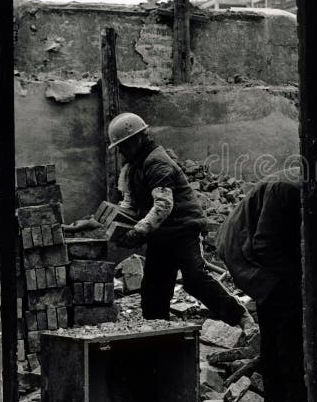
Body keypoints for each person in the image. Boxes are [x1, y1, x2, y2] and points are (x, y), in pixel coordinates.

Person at [107, 112, 252, 329]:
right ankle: (157, 333)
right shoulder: (133, 166)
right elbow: (129, 203)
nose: (120, 151)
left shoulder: (157, 162)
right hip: (161, 234)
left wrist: (137, 232)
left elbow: (163, 206)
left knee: (195, 278)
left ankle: (241, 317)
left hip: (183, 230)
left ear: (137, 139)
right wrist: (116, 225)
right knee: (154, 288)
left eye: (123, 145)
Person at [215, 168, 306, 402]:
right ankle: (289, 401)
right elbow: (265, 245)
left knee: (279, 321)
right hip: (247, 252)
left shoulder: (300, 185)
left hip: (262, 248)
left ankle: (277, 399)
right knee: (287, 319)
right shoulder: (288, 189)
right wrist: (301, 276)